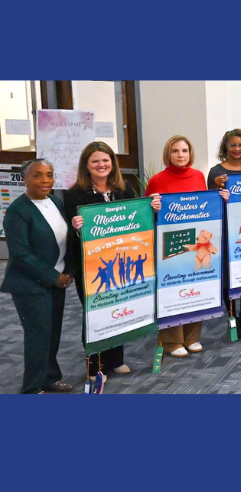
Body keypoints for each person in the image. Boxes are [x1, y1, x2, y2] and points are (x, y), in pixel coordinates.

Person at [66, 142, 161, 382]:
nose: (101, 165)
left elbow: (137, 222)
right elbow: (71, 234)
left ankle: (115, 360)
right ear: (86, 166)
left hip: (122, 264)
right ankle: (95, 366)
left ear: (113, 163)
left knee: (119, 307)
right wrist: (77, 228)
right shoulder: (75, 194)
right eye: (95, 161)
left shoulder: (124, 189)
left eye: (106, 160)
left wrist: (153, 210)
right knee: (96, 312)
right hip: (91, 268)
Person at [2, 159, 74, 393]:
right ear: (25, 178)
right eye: (38, 175)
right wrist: (55, 276)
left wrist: (68, 271)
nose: (45, 180)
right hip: (30, 284)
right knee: (38, 336)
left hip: (56, 281)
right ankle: (32, 389)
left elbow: (65, 239)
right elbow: (21, 254)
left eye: (49, 175)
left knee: (52, 334)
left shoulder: (54, 201)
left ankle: (49, 377)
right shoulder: (17, 211)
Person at [145, 135, 210, 358]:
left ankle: (192, 337)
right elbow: (147, 213)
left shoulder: (199, 176)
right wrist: (152, 208)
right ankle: (172, 341)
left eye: (184, 150)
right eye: (175, 151)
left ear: (190, 153)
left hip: (196, 240)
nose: (180, 155)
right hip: (169, 243)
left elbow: (204, 206)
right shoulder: (157, 180)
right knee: (172, 290)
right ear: (168, 154)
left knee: (195, 286)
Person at [207, 129, 241, 336]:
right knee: (227, 276)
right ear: (225, 147)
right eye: (233, 145)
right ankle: (232, 318)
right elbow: (210, 203)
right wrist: (215, 185)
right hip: (224, 229)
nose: (237, 149)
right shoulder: (216, 171)